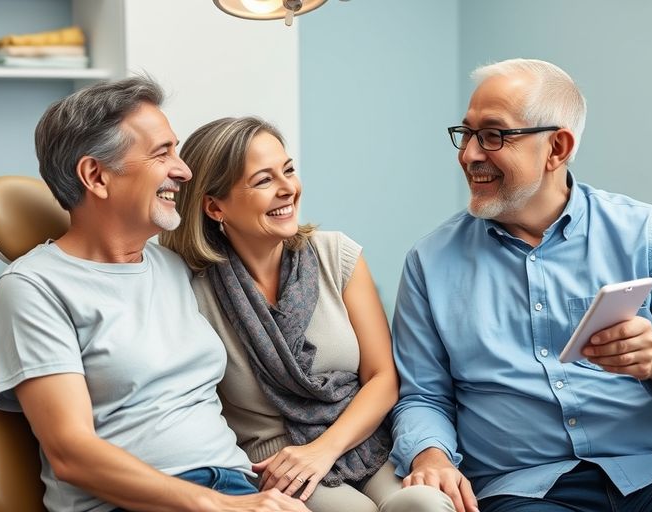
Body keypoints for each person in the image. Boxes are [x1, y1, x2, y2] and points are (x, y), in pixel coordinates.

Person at [389, 58, 652, 512]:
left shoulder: (648, 234)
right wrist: (430, 455)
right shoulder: (430, 262)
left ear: (557, 148)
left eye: (493, 135)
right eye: (466, 135)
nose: (469, 155)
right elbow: (423, 395)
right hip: (522, 489)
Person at [0, 77, 310, 512]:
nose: (184, 171)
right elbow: (70, 453)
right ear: (95, 176)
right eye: (163, 154)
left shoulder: (175, 267)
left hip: (235, 484)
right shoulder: (34, 287)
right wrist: (217, 506)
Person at [160, 116, 453, 512]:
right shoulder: (189, 290)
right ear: (215, 206)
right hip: (278, 463)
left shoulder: (337, 255)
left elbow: (383, 378)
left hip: (365, 439)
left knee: (424, 505)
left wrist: (323, 449)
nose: (288, 189)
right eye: (263, 181)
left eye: (289, 170)